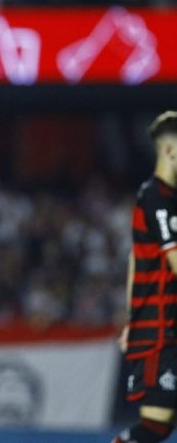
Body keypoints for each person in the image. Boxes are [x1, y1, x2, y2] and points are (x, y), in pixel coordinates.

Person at [114, 111, 177, 443]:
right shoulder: (158, 197)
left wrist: (129, 320)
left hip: (162, 326)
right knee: (154, 426)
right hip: (161, 331)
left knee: (160, 426)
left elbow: (135, 261)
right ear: (169, 151)